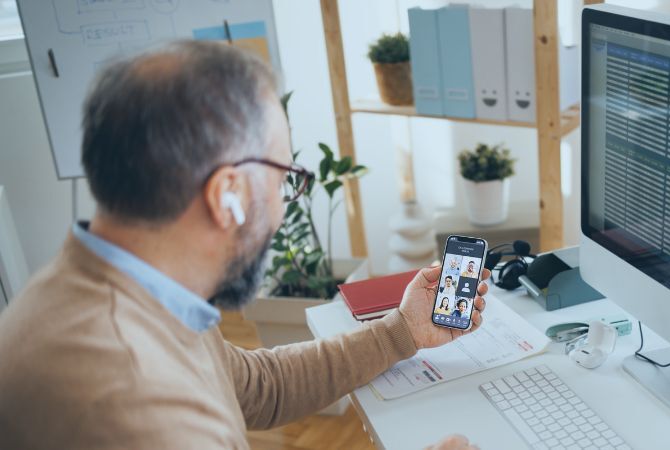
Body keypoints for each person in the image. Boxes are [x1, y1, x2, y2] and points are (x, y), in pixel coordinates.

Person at [0, 41, 488, 450]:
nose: (281, 206)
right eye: (283, 177)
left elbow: (257, 387)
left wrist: (400, 331)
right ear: (226, 195)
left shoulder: (129, 291)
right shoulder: (135, 402)